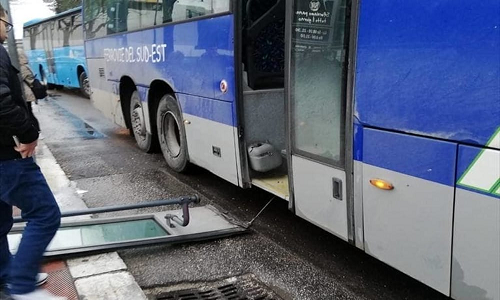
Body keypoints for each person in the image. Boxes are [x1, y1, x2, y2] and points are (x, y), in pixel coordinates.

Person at [0, 5, 66, 300]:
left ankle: (7, 274)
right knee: (45, 214)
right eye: (6, 23)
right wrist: (29, 134)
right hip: (8, 155)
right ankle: (22, 285)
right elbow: (1, 103)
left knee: (1, 219)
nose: (6, 29)